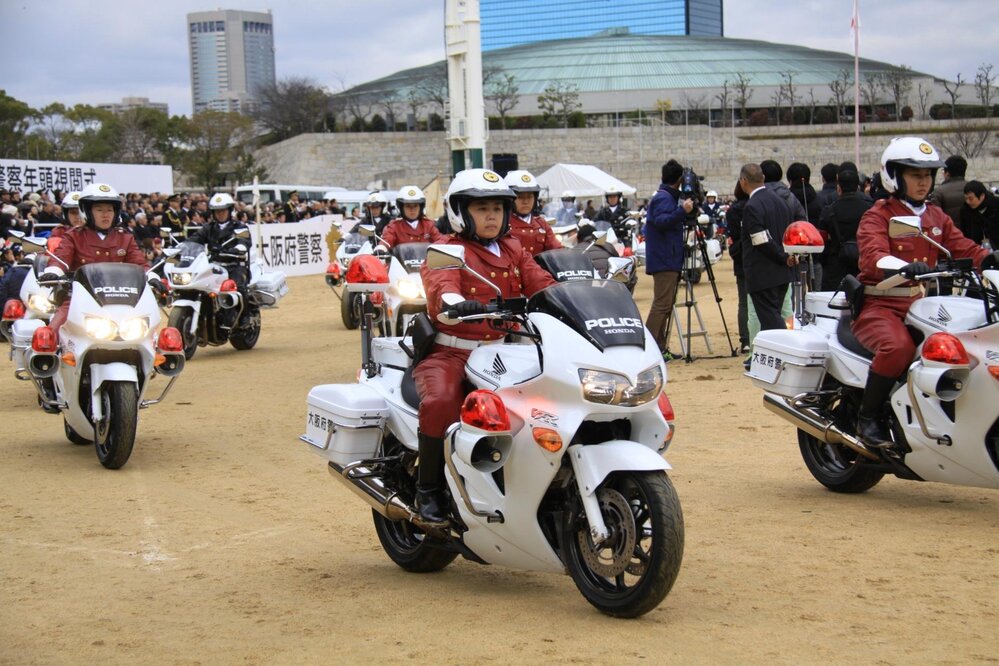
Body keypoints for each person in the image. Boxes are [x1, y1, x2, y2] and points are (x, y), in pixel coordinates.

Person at [414, 168, 556, 524]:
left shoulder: (512, 247)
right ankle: (427, 489)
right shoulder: (446, 249)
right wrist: (453, 301)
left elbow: (541, 282)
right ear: (461, 213)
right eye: (481, 208)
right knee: (442, 402)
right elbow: (440, 286)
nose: (492, 215)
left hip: (505, 351)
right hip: (453, 352)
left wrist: (571, 292)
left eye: (497, 207)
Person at [852, 138, 993, 447]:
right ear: (894, 176)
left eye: (928, 175)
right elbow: (872, 255)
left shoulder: (935, 216)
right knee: (898, 348)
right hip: (882, 305)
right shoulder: (879, 215)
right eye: (915, 175)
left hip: (925, 304)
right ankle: (868, 418)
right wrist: (903, 266)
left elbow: (962, 246)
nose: (923, 182)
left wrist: (989, 259)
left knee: (965, 346)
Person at [42, 183, 150, 335]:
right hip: (79, 299)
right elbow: (61, 257)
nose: (105, 214)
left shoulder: (125, 238)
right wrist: (54, 271)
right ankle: (45, 357)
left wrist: (153, 277)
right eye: (99, 210)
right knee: (51, 334)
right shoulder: (74, 236)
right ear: (87, 211)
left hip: (123, 298)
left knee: (151, 333)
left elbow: (139, 263)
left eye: (109, 210)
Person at [644, 159, 694, 359]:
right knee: (662, 305)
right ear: (680, 180)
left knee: (665, 305)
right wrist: (683, 211)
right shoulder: (664, 198)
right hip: (665, 258)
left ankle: (659, 347)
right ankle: (648, 346)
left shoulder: (665, 196)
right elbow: (662, 221)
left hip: (666, 257)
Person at [739, 163, 796, 333]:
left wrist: (782, 256)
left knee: (771, 320)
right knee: (773, 317)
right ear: (762, 178)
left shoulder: (752, 206)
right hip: (782, 273)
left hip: (763, 273)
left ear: (743, 181)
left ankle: (786, 352)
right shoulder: (780, 201)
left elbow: (760, 240)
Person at [187, 193, 255, 329]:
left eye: (223, 211)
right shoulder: (209, 228)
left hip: (234, 265)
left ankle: (245, 317)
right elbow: (195, 239)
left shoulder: (239, 227)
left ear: (229, 211)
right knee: (198, 285)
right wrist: (181, 247)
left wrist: (237, 249)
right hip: (215, 266)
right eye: (217, 211)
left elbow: (245, 241)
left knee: (237, 287)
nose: (220, 214)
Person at [819, 169, 872, 291]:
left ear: (838, 188)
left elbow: (822, 240)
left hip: (836, 265)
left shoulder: (829, 211)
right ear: (858, 187)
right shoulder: (870, 209)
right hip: (863, 264)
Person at [503, 170, 561, 256]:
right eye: (520, 197)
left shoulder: (541, 224)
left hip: (540, 269)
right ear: (509, 199)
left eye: (529, 197)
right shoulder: (503, 225)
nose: (526, 201)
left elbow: (557, 250)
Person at [724, 180, 751, 353]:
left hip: (740, 257)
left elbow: (733, 234)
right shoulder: (756, 205)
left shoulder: (733, 210)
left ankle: (745, 340)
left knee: (743, 302)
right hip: (757, 256)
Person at [374, 185, 441, 253]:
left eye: (415, 206)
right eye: (408, 206)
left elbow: (439, 241)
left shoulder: (428, 225)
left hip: (426, 263)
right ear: (401, 208)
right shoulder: (394, 227)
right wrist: (381, 248)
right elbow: (387, 240)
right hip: (401, 263)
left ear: (421, 207)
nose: (412, 210)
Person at [928, 155, 967, 226]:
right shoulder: (974, 188)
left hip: (951, 234)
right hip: (973, 235)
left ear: (947, 173)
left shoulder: (938, 192)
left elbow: (935, 219)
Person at [960, 180, 999, 248]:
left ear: (982, 196)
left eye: (971, 199)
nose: (968, 202)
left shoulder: (996, 205)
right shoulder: (965, 210)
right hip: (975, 249)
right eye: (966, 198)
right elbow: (964, 232)